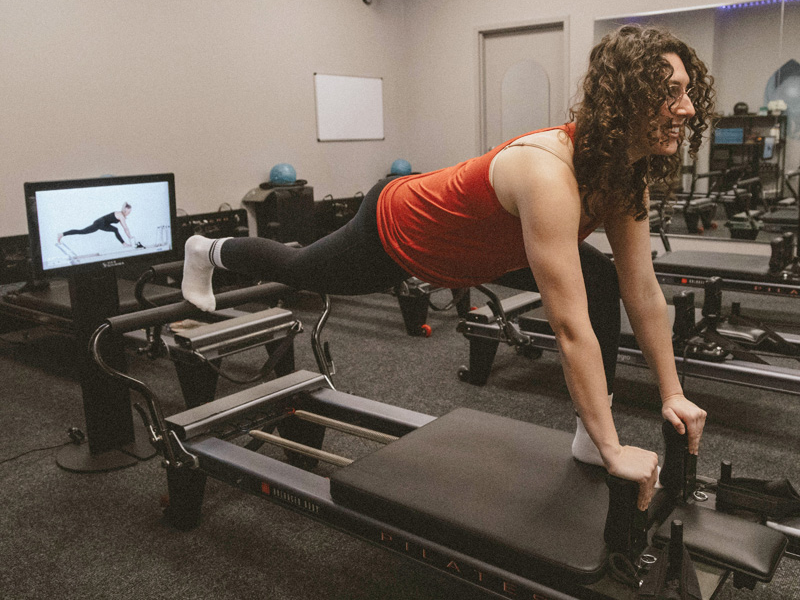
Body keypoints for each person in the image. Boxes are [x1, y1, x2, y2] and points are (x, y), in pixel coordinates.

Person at [182, 25, 711, 510]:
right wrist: (616, 448)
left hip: (484, 251)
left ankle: (587, 440)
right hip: (398, 230)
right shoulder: (548, 173)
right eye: (670, 94)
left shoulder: (625, 173)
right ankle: (207, 249)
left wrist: (673, 394)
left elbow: (641, 289)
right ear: (624, 99)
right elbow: (570, 330)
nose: (686, 108)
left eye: (688, 91)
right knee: (300, 269)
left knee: (599, 276)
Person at [58, 202, 135, 246]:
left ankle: (123, 243)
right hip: (100, 223)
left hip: (102, 223)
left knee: (115, 229)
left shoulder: (121, 214)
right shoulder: (121, 215)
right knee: (82, 231)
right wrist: (130, 236)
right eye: (128, 212)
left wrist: (129, 236)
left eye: (129, 212)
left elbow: (124, 227)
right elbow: (125, 228)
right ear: (125, 210)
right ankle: (62, 234)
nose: (128, 213)